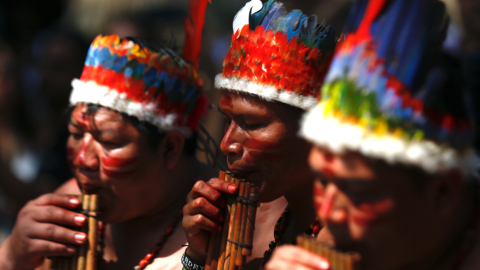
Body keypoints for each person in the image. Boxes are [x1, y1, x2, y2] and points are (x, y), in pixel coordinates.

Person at [265, 0, 480, 269]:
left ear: (443, 192)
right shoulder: (335, 241)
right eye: (321, 182)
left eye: (357, 191)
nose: (328, 214)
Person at [0, 3, 215, 267]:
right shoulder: (68, 204)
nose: (83, 159)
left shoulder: (226, 221)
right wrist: (11, 256)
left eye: (109, 141)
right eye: (75, 134)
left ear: (170, 148)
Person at [181, 0, 337, 269]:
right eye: (227, 120)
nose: (227, 144)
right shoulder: (263, 222)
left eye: (251, 123)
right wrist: (198, 257)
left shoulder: (352, 244)